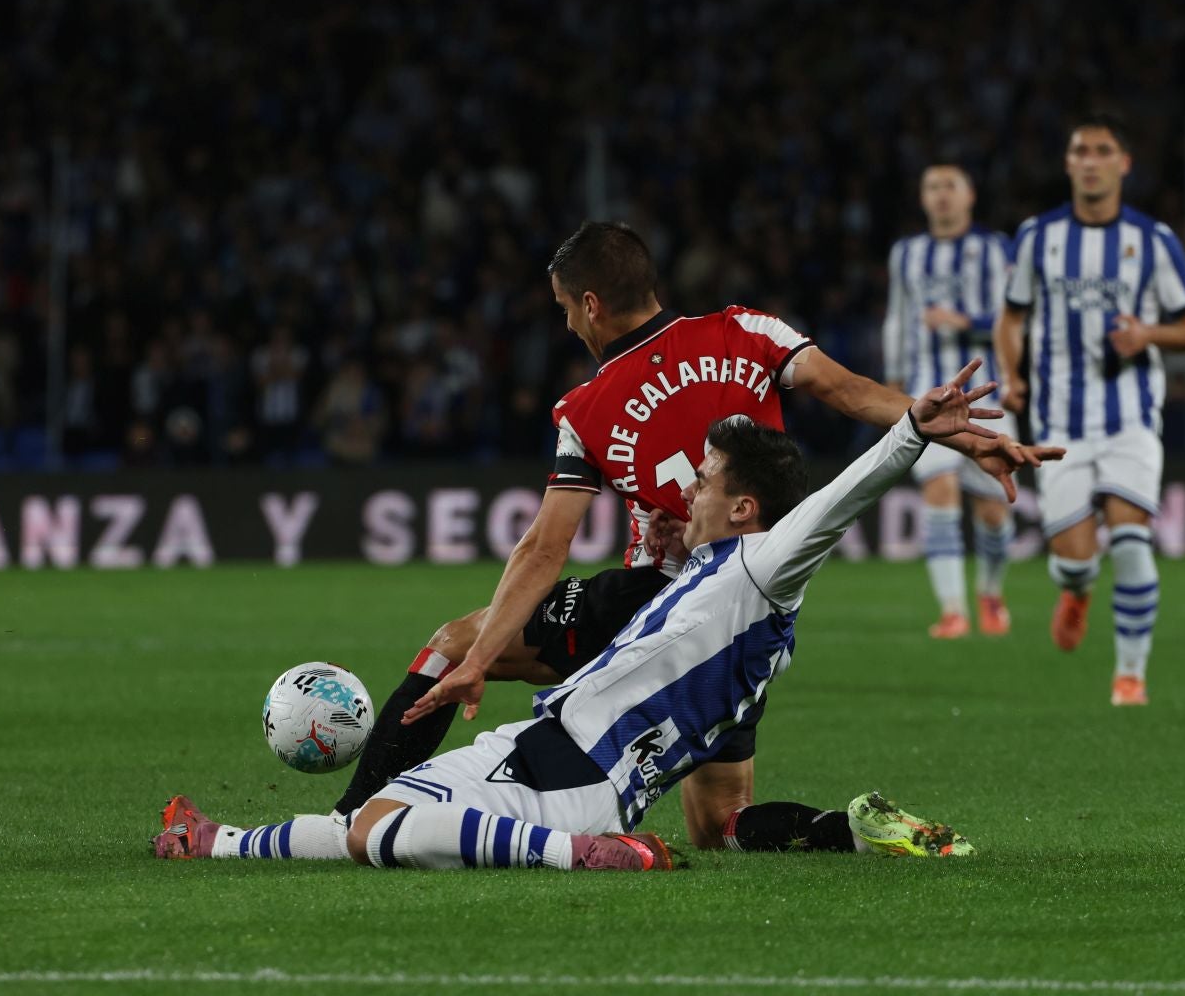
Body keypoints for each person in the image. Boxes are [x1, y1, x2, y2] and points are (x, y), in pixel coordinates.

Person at [325, 222, 1052, 859]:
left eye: (564, 311)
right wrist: (955, 437)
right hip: (751, 614)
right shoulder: (749, 333)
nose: (570, 328)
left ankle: (350, 816)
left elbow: (544, 551)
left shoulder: (588, 406)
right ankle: (847, 831)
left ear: (590, 304)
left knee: (451, 642)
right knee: (719, 822)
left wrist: (481, 659)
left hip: (653, 608)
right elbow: (853, 392)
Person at [156, 363, 1044, 870]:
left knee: (381, 831)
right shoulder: (726, 582)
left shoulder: (762, 569)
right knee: (372, 824)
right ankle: (216, 841)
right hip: (555, 760)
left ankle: (580, 857)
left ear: (744, 509)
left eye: (705, 479)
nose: (690, 487)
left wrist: (911, 435)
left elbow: (832, 507)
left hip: (567, 775)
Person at [994, 117, 1185, 706]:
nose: (1090, 161)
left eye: (1101, 151)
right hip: (1060, 422)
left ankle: (1130, 677)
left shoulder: (1153, 240)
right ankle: (1077, 590)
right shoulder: (1038, 237)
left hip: (1132, 419)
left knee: (1134, 540)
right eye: (1079, 152)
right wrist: (1011, 375)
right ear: (1068, 165)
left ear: (1124, 163)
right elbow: (1011, 318)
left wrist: (1147, 334)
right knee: (1075, 563)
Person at [884, 163, 1016, 639]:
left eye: (950, 187)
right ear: (922, 199)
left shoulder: (996, 248)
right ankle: (953, 610)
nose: (941, 195)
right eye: (932, 187)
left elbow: (1015, 318)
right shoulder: (907, 254)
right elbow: (897, 318)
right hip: (927, 396)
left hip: (988, 393)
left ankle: (990, 592)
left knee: (994, 511)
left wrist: (967, 322)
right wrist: (893, 387)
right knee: (938, 490)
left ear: (969, 195)